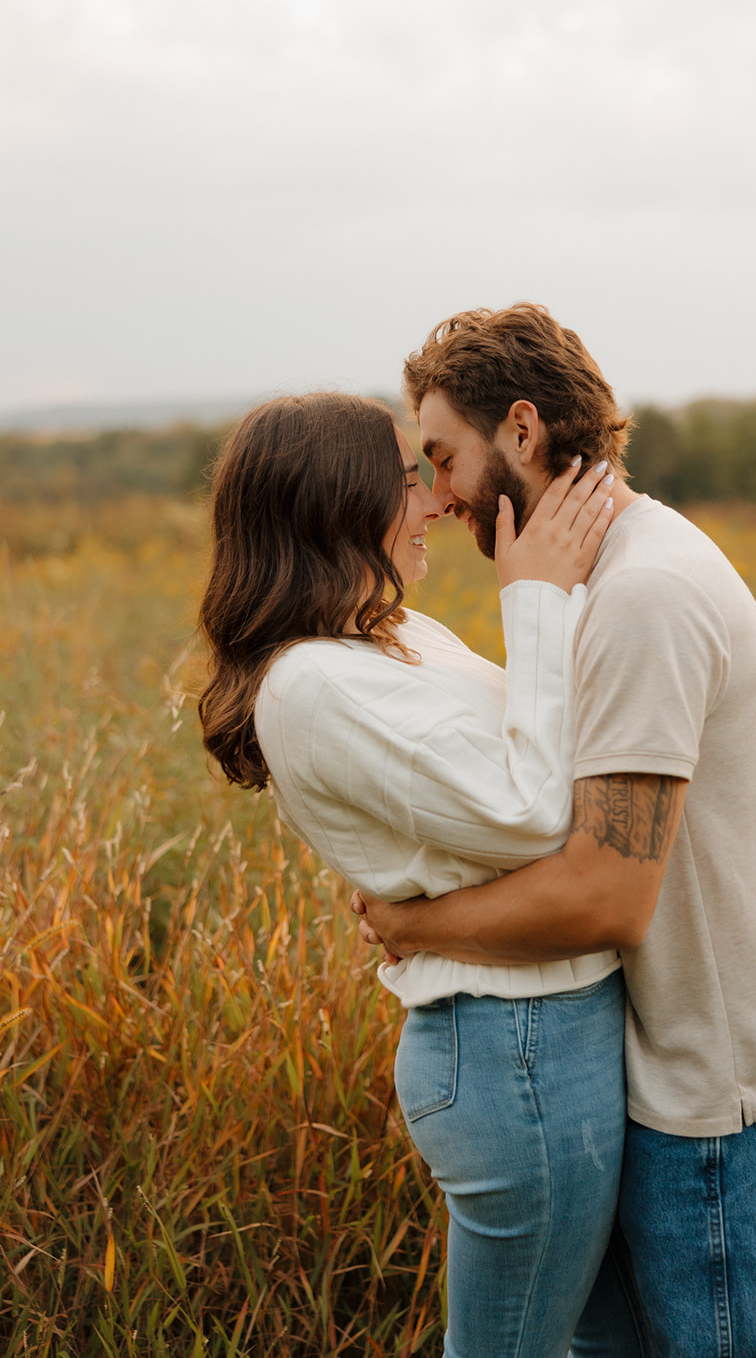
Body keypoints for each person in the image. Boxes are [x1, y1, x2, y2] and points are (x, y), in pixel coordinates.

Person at [355, 306, 756, 1358]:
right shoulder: (590, 578)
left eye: (442, 457)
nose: (435, 496)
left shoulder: (642, 596)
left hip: (722, 1102)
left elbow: (605, 891)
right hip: (674, 1079)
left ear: (522, 432)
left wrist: (415, 919)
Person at [196, 391, 624, 1358]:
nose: (436, 501)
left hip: (553, 1033)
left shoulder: (395, 637)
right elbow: (536, 812)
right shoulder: (310, 683)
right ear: (333, 505)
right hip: (514, 1048)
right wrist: (536, 595)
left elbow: (548, 736)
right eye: (405, 480)